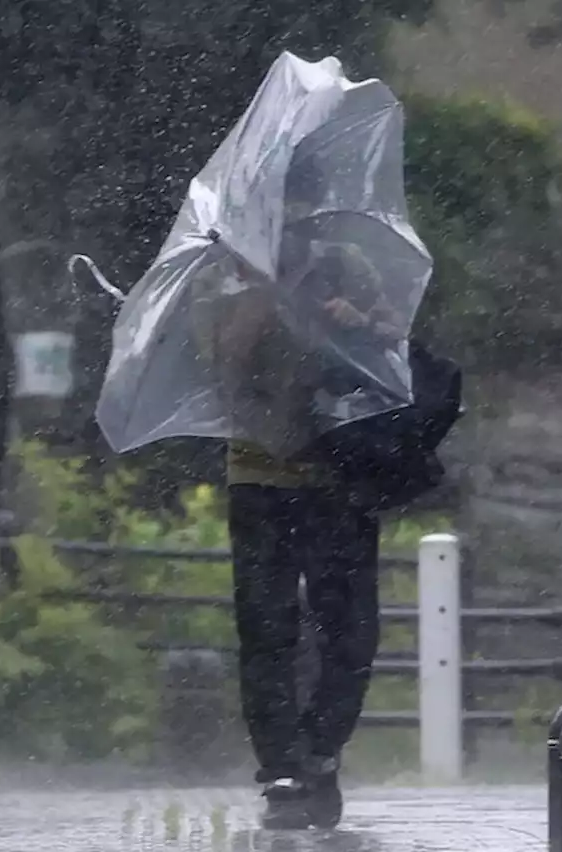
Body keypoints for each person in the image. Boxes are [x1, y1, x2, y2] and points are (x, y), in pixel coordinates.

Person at [194, 240, 458, 830]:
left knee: (352, 630)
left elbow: (392, 350)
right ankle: (283, 769)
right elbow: (220, 372)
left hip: (340, 476)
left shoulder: (346, 263)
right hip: (259, 478)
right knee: (267, 626)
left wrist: (360, 323)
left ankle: (321, 749)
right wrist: (265, 299)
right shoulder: (222, 278)